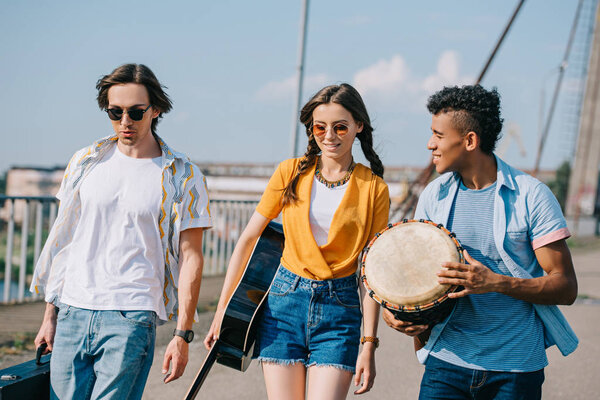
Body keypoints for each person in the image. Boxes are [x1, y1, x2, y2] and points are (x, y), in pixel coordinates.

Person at [383, 84, 578, 399]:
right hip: (445, 362)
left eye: (438, 135)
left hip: (515, 370)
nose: (430, 144)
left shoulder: (532, 196)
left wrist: (496, 283)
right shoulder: (434, 195)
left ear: (470, 140)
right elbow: (413, 276)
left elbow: (566, 288)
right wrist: (397, 314)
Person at [31, 63, 212, 399]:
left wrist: (182, 335)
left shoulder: (183, 174)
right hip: (73, 309)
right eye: (115, 112)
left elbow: (192, 258)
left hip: (131, 316)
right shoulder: (85, 161)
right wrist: (50, 315)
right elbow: (64, 242)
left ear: (155, 109)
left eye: (136, 112)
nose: (125, 122)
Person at [204, 83, 389, 399]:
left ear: (359, 126)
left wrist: (368, 344)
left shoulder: (374, 189)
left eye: (340, 127)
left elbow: (370, 271)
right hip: (282, 307)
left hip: (339, 313)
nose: (329, 136)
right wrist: (223, 310)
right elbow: (248, 239)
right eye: (321, 127)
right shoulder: (289, 172)